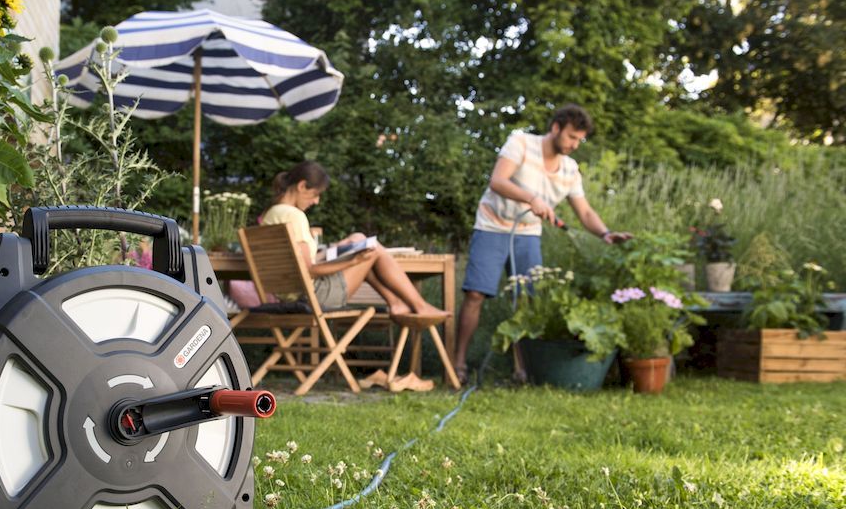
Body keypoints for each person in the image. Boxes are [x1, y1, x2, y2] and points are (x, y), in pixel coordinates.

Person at [452, 104, 631, 380]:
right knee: (476, 294)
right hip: (491, 225)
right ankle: (458, 364)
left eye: (580, 139)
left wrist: (605, 234)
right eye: (572, 137)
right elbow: (497, 181)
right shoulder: (521, 143)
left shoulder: (570, 170)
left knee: (528, 302)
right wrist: (531, 198)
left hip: (527, 233)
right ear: (556, 128)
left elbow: (584, 211)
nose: (575, 144)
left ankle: (523, 369)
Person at [261, 160, 450, 320]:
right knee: (372, 250)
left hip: (290, 296)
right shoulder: (295, 216)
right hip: (313, 297)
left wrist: (334, 250)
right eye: (316, 194)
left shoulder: (271, 215)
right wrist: (353, 260)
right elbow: (308, 270)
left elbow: (297, 266)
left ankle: (396, 303)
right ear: (302, 186)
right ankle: (419, 305)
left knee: (358, 239)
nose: (316, 201)